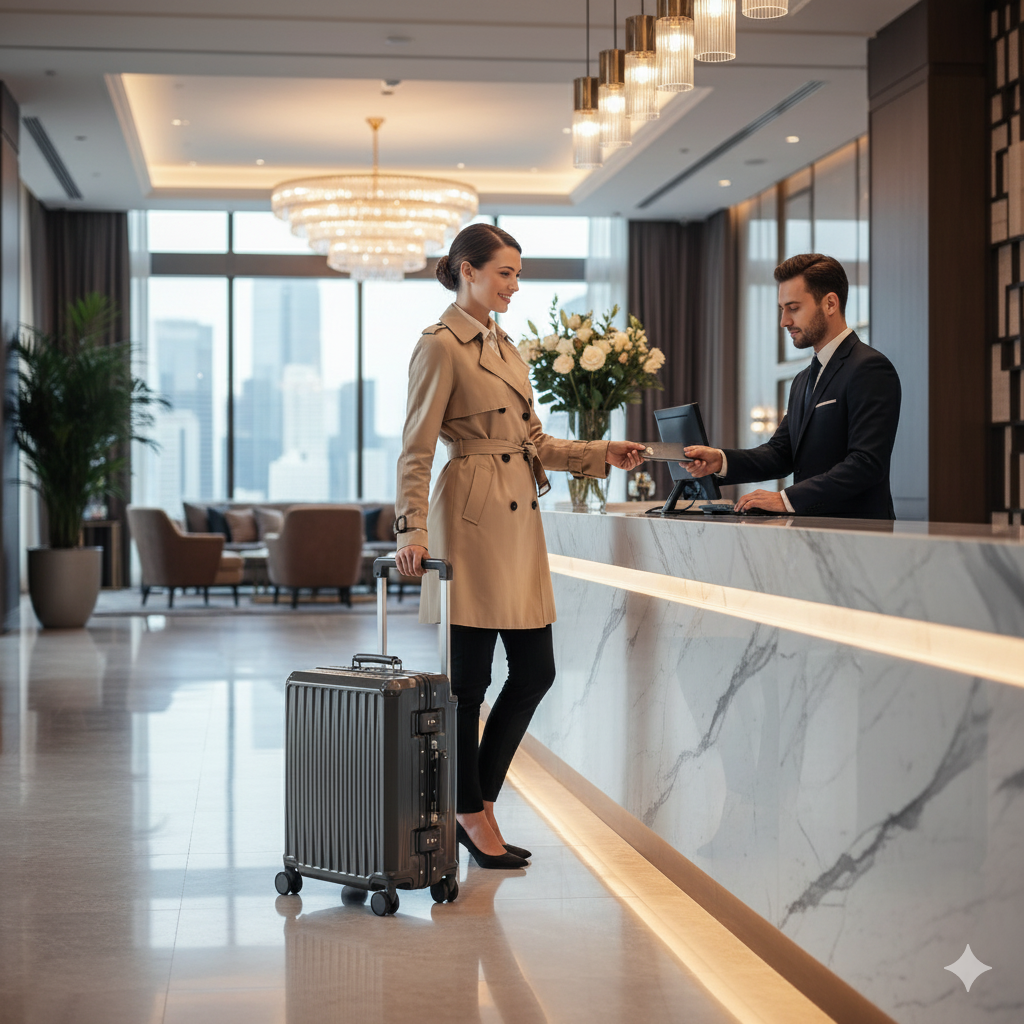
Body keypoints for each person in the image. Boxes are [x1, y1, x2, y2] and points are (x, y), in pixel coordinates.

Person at [394, 223, 646, 869]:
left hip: (518, 516)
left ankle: (469, 802)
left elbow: (535, 443)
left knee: (536, 671)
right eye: (504, 272)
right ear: (466, 270)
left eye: (518, 274)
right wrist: (412, 530)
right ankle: (473, 812)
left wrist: (599, 453)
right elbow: (417, 450)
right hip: (472, 520)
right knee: (468, 685)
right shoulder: (441, 345)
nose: (513, 284)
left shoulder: (509, 349)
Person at [685, 253, 902, 519]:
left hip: (859, 538)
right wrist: (721, 460)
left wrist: (785, 499)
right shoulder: (802, 381)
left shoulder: (869, 368)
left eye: (794, 308)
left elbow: (866, 464)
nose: (784, 321)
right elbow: (780, 454)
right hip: (807, 536)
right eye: (782, 309)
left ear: (830, 304)